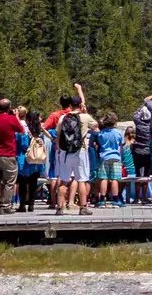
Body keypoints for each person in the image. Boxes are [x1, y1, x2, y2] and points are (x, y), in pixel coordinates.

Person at [47, 84, 95, 215]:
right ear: (80, 105)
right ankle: (83, 207)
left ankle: (59, 207)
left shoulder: (63, 117)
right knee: (81, 180)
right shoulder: (85, 117)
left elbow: (58, 133)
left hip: (65, 152)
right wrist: (85, 112)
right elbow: (96, 127)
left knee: (63, 180)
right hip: (81, 151)